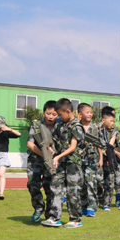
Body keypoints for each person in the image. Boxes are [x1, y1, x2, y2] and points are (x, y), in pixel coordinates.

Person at [42, 98, 86, 228]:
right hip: (61, 162)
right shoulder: (60, 125)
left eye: (60, 115)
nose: (58, 117)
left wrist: (57, 157)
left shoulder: (77, 126)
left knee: (72, 192)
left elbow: (72, 147)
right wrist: (50, 148)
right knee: (55, 187)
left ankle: (75, 219)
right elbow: (54, 140)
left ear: (68, 111)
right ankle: (54, 218)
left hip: (73, 163)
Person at [26, 101, 58, 222]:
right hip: (35, 159)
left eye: (54, 114)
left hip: (52, 161)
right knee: (32, 185)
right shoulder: (36, 125)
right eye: (48, 113)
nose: (51, 116)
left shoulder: (59, 127)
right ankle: (38, 208)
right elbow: (30, 143)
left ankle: (50, 214)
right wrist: (44, 154)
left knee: (50, 187)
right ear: (44, 113)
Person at [77, 104, 103, 217]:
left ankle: (91, 206)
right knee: (82, 183)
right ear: (80, 114)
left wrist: (101, 158)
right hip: (79, 159)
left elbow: (99, 144)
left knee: (91, 182)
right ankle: (83, 206)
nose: (90, 114)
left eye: (91, 112)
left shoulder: (96, 128)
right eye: (87, 112)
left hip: (92, 159)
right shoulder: (76, 127)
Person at [96, 107, 117, 210]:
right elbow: (97, 144)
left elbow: (111, 144)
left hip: (109, 156)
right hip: (98, 157)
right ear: (103, 120)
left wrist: (108, 156)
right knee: (99, 180)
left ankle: (106, 204)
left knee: (110, 181)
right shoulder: (96, 128)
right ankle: (99, 198)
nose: (112, 123)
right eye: (111, 121)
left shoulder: (114, 130)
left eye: (113, 121)